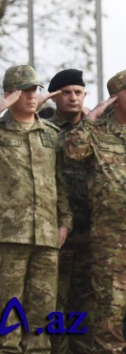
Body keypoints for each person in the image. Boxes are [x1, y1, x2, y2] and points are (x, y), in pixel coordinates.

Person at [0, 65, 71, 353]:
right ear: (9, 95)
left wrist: (64, 222)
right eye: (23, 90)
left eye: (34, 89)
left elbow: (59, 181)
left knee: (42, 320)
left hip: (46, 237)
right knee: (6, 318)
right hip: (8, 237)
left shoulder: (50, 133)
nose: (32, 95)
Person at [64, 70, 126, 353]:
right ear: (116, 98)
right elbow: (72, 151)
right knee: (110, 306)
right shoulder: (98, 132)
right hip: (111, 237)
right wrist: (91, 117)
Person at [44, 69, 92, 354]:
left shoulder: (98, 129)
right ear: (55, 96)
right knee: (55, 303)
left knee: (88, 303)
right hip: (55, 231)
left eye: (78, 92)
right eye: (65, 92)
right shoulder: (45, 129)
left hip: (92, 231)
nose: (72, 97)